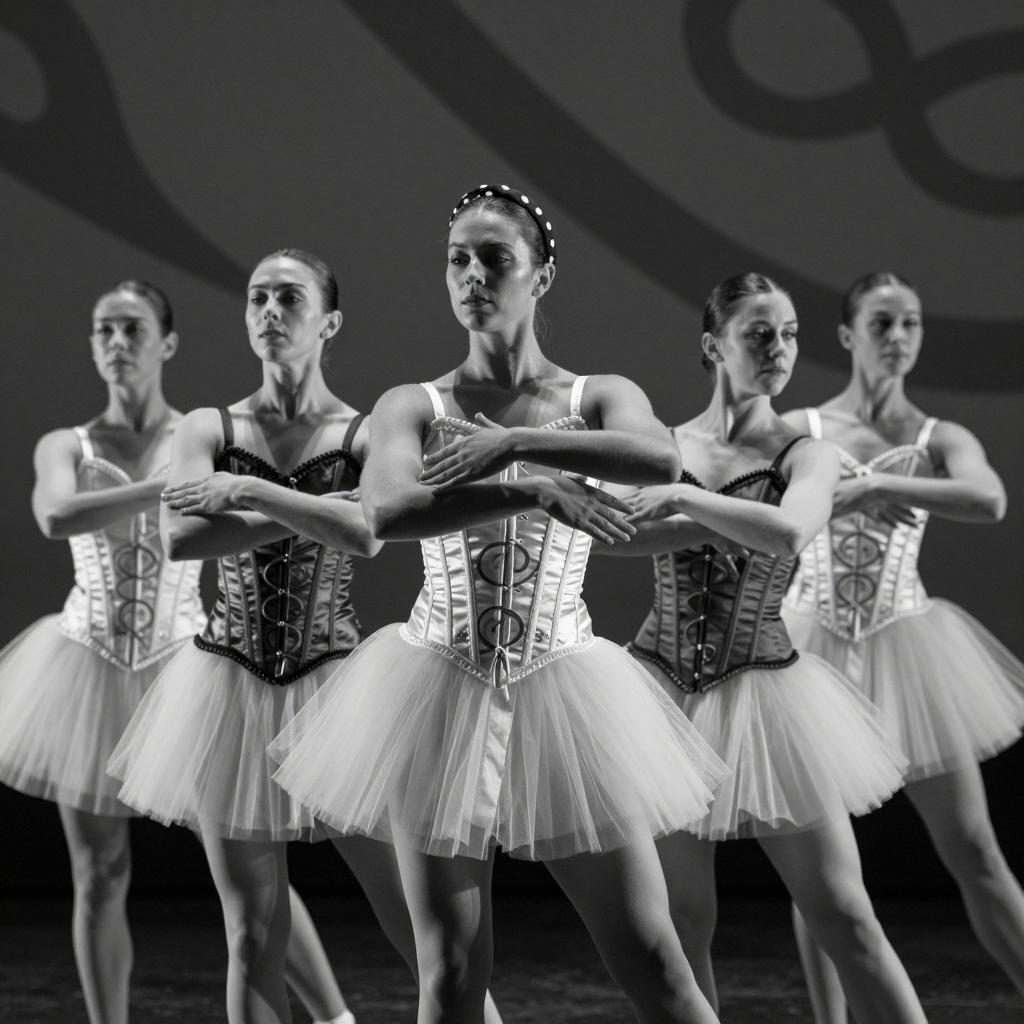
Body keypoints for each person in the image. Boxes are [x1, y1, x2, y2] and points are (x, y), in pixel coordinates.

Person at [271, 184, 727, 1024]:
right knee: (450, 971)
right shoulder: (415, 403)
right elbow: (387, 512)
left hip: (567, 687)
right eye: (458, 260)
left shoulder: (597, 396)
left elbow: (659, 460)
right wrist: (532, 490)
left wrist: (516, 442)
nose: (472, 276)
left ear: (541, 276)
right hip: (436, 688)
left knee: (656, 959)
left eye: (494, 258)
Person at [607, 273, 928, 1023]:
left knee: (846, 916)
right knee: (682, 924)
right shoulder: (662, 446)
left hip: (768, 691)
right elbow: (615, 534)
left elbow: (788, 532)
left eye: (789, 335)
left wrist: (684, 498)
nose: (779, 349)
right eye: (759, 334)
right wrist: (709, 513)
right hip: (660, 696)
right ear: (713, 345)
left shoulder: (806, 453)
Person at [108, 252, 388, 1024]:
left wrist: (246, 492)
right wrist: (314, 507)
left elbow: (368, 534)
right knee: (252, 932)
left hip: (336, 683)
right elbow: (183, 538)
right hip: (227, 685)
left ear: (329, 323)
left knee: (418, 917)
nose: (269, 311)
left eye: (289, 298)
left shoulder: (362, 432)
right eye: (257, 297)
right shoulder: (210, 426)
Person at [780, 271, 1024, 1021]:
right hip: (812, 648)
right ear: (848, 335)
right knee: (825, 876)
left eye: (910, 323)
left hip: (908, 650)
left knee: (975, 851)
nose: (898, 337)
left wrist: (880, 488)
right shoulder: (802, 429)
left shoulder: (936, 437)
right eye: (882, 323)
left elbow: (988, 498)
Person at [0, 281, 206, 1024]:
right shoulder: (68, 445)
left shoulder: (200, 439)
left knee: (245, 862)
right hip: (86, 664)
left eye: (133, 329)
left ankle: (336, 1015)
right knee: (99, 871)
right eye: (104, 330)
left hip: (183, 662)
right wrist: (162, 489)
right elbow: (56, 515)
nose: (117, 342)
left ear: (167, 343)